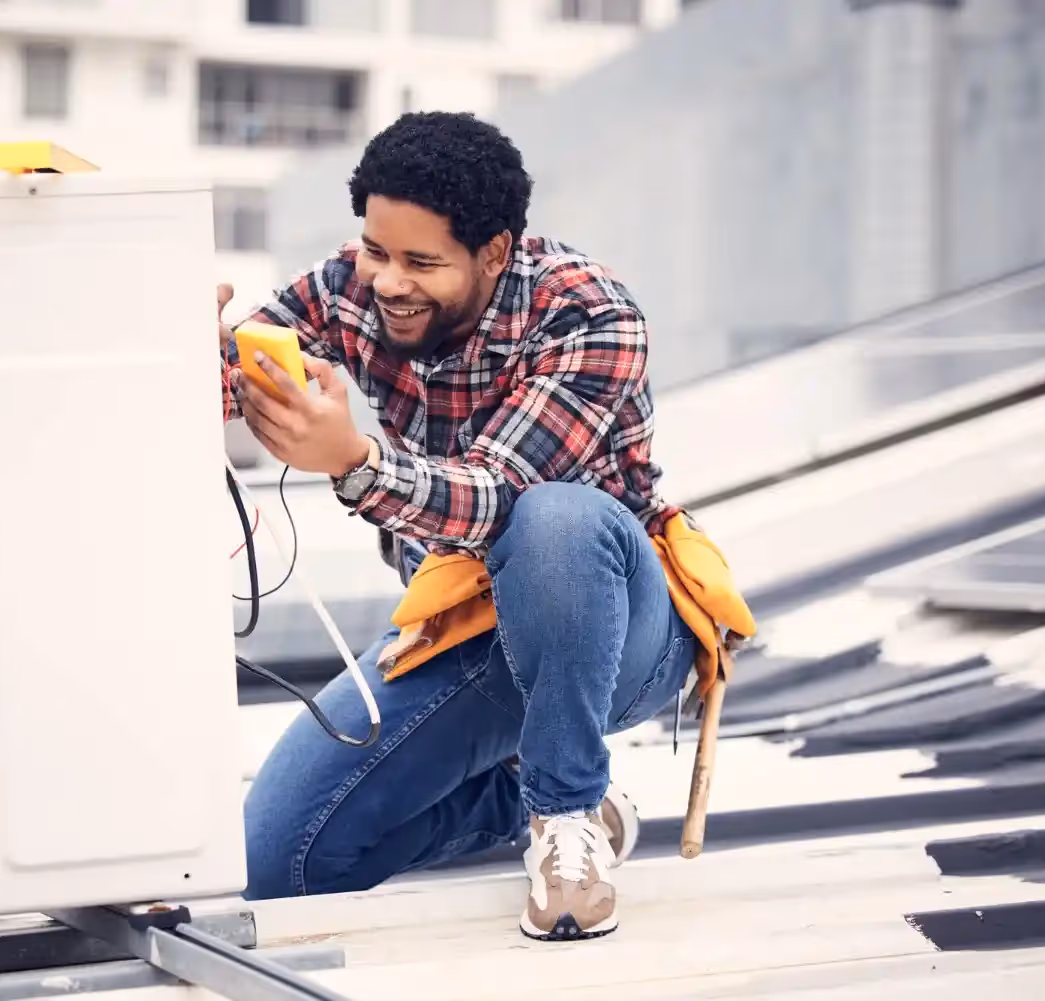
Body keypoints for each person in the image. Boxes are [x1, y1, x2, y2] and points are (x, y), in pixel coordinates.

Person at [218, 111, 696, 942]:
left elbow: (496, 496)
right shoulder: (350, 288)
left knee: (558, 518)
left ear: (496, 253)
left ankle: (566, 813)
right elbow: (238, 377)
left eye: (421, 261)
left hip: (614, 630)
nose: (388, 282)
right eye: (376, 249)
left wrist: (353, 460)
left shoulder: (590, 315)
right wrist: (182, 351)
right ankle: (515, 801)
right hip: (466, 626)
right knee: (278, 865)